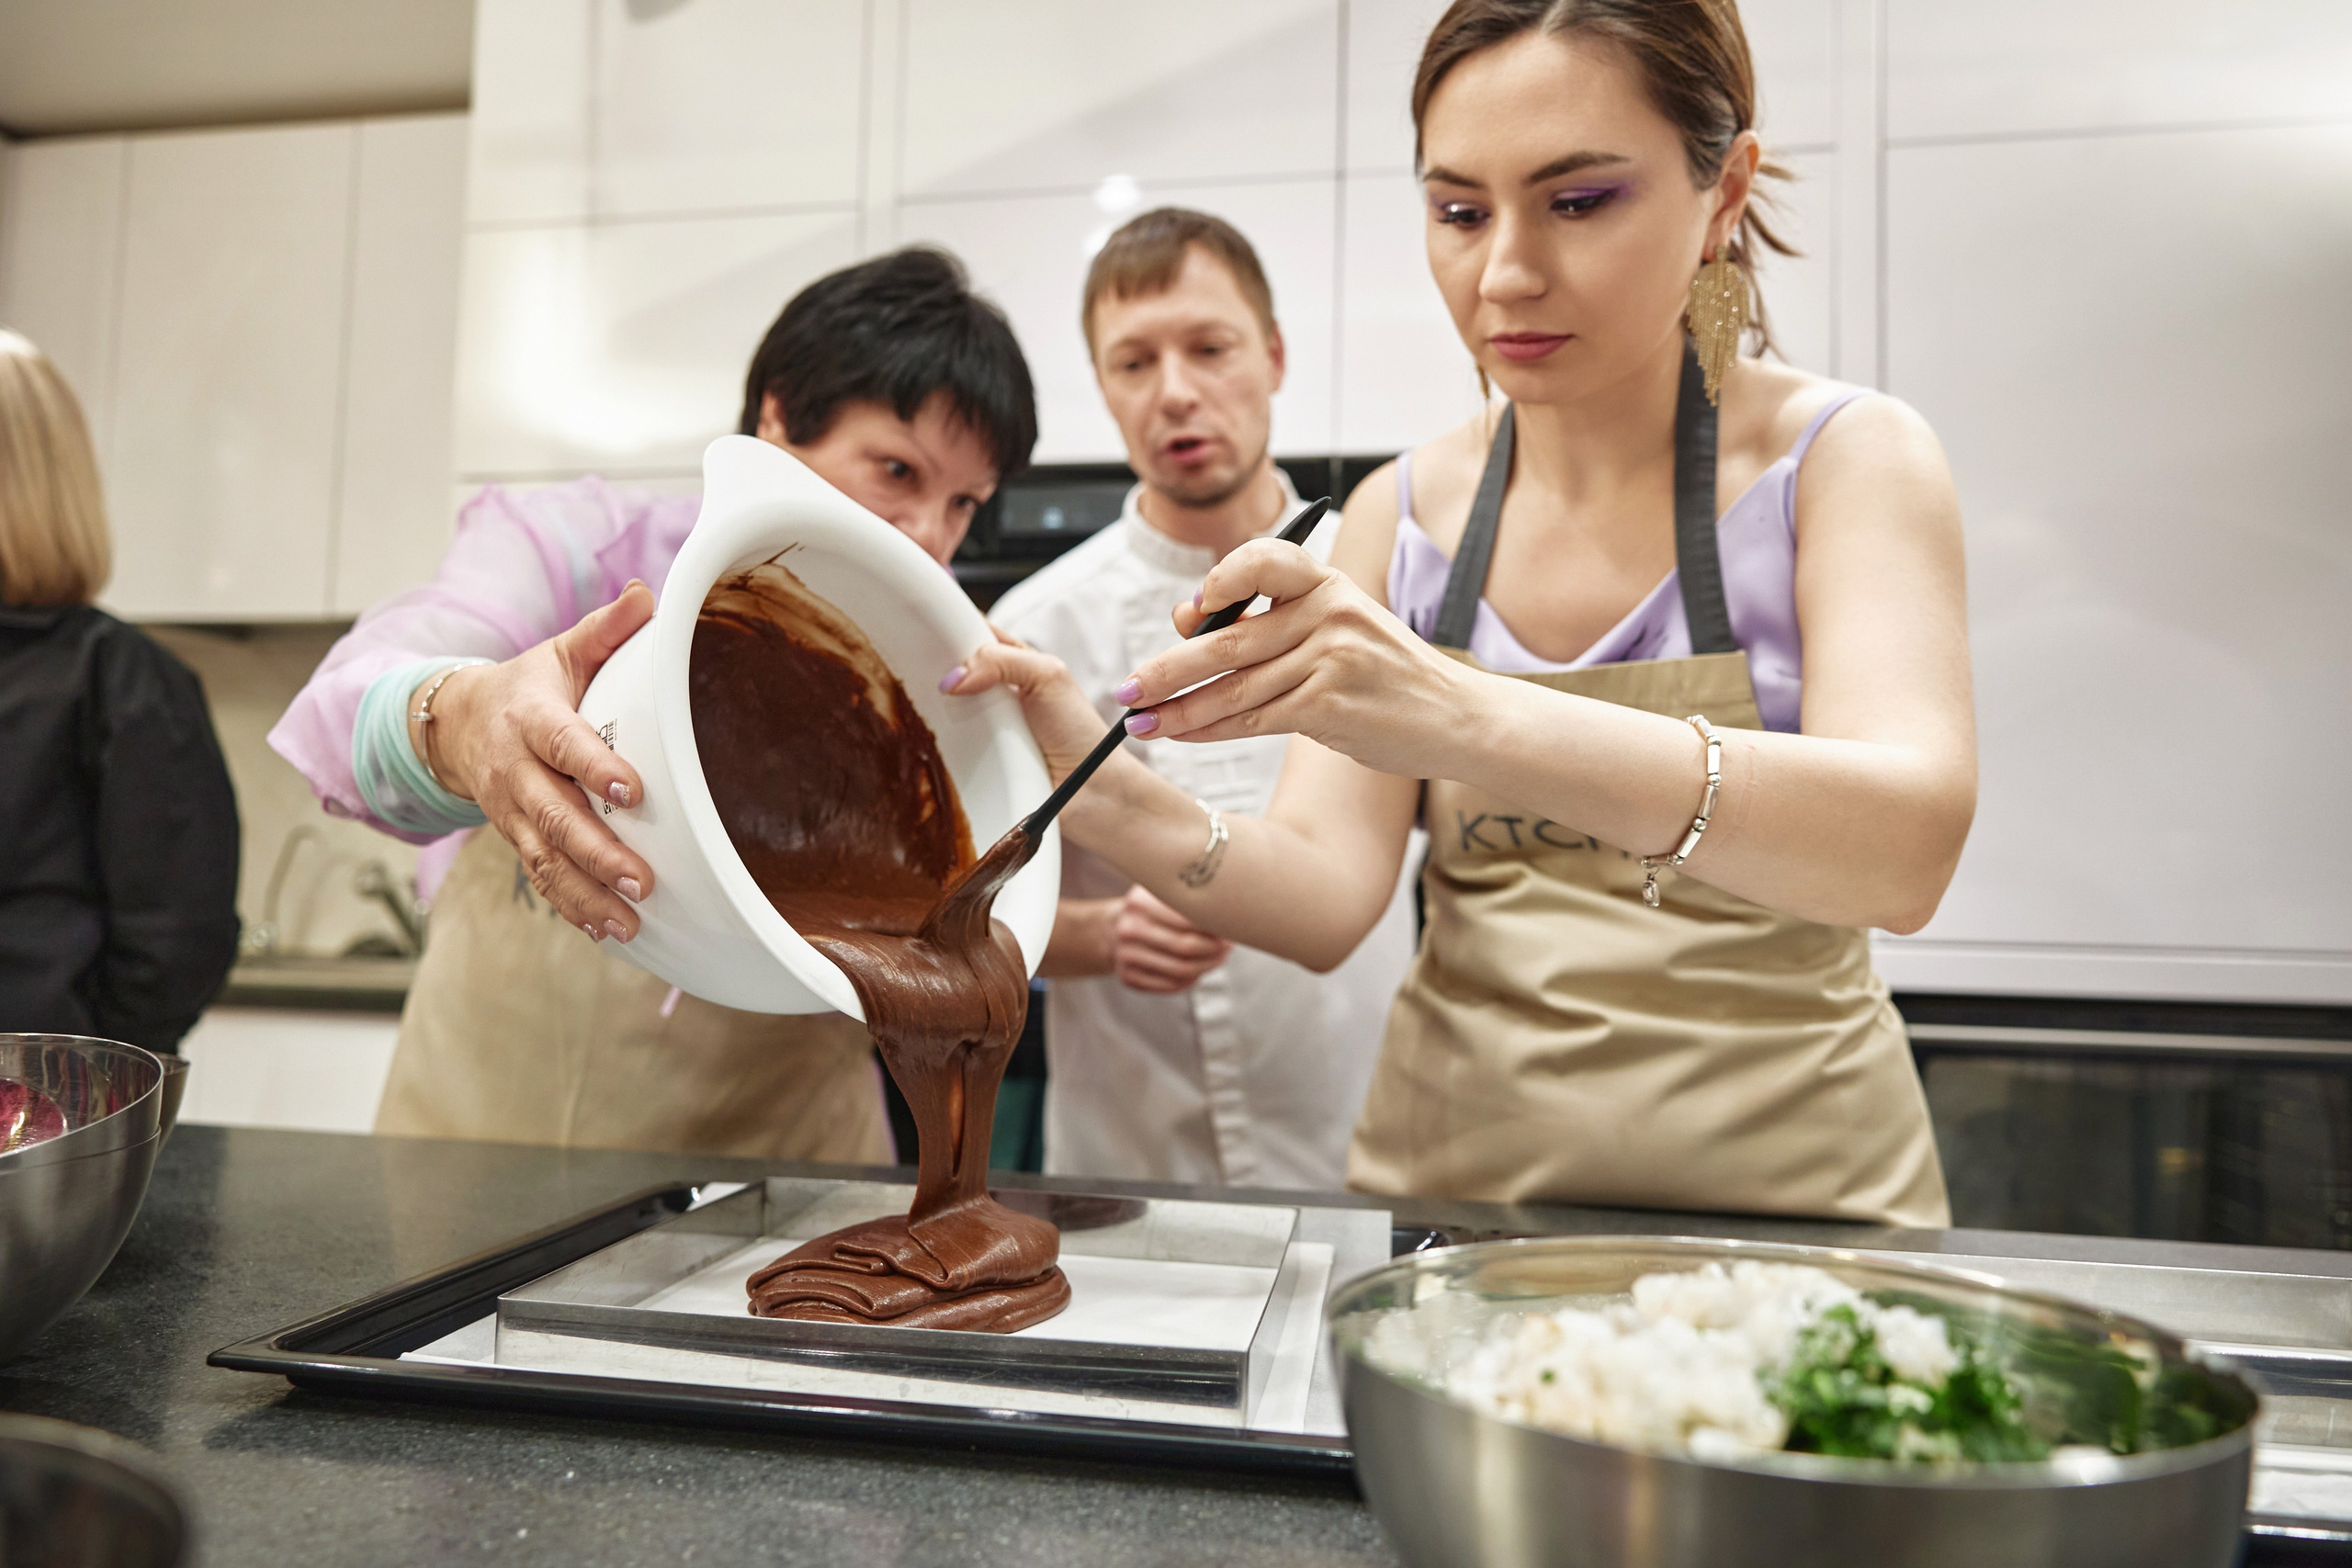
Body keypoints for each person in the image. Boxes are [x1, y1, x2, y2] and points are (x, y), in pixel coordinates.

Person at [950, 0, 1969, 1226]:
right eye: (1459, 211)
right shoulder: (1408, 508)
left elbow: (1903, 849)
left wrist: (1460, 713)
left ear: (1725, 188)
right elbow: (1325, 901)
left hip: (1801, 1211)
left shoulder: (1843, 461)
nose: (1506, 274)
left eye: (1580, 200)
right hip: (1463, 1219)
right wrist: (1097, 779)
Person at [271, 248, 1036, 1160]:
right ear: (777, 416)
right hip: (491, 1144)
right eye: (897, 473)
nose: (927, 536)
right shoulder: (581, 551)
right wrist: (463, 715)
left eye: (963, 504)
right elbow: (350, 708)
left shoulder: (937, 666)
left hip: (793, 1161)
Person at [985, 210, 1415, 1190]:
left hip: (1365, 1134)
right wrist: (1100, 937)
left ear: (1271, 356)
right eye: (1133, 363)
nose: (1174, 392)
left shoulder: (1380, 583)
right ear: (1103, 387)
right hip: (1125, 1160)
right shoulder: (1040, 622)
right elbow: (972, 908)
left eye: (1209, 348)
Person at [0, 330, 241, 1054]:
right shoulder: (128, 678)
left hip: (42, 1117)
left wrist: (81, 1075)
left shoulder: (122, 682)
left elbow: (175, 940)